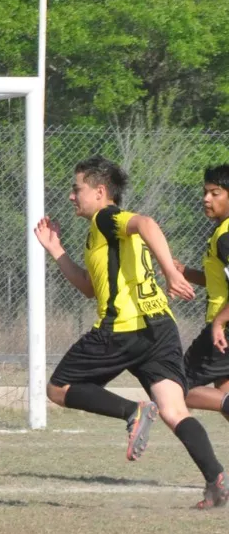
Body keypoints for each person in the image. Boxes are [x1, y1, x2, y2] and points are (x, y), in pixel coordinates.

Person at [35, 156, 227, 508]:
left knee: (58, 388)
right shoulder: (102, 233)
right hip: (160, 329)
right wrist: (56, 249)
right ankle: (215, 482)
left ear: (100, 191)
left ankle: (132, 412)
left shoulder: (107, 218)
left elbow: (148, 223)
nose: (71, 196)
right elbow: (89, 287)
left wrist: (170, 272)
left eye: (77, 189)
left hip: (124, 328)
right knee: (174, 410)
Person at [175, 165, 229, 424]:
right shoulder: (221, 231)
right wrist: (184, 272)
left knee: (174, 387)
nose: (206, 199)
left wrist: (219, 322)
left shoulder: (227, 235)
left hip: (223, 330)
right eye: (205, 192)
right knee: (223, 392)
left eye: (215, 193)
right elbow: (218, 280)